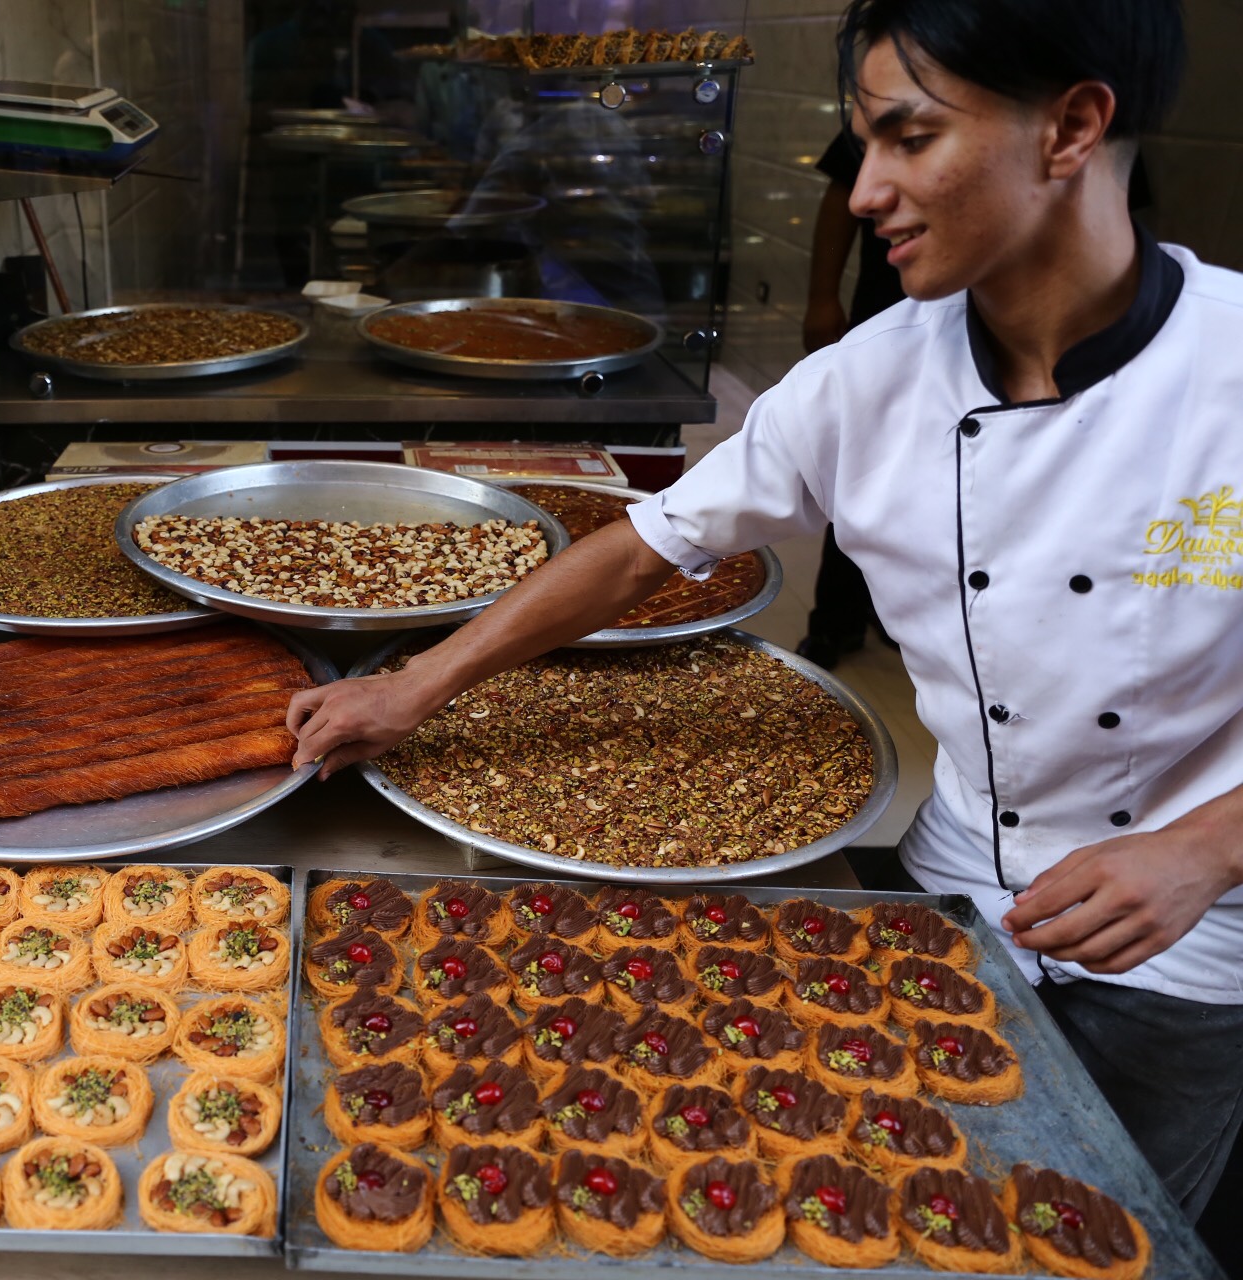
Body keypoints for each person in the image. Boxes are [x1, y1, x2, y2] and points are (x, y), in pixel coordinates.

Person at [288, 0, 1243, 1219]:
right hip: (951, 892)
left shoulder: (1231, 371)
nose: (863, 194)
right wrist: (412, 684)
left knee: (1118, 1230)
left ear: (1071, 127)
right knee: (874, 1198)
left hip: (1191, 945)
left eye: (908, 138)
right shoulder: (865, 379)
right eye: (865, 147)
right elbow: (642, 547)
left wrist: (1204, 850)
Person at [796, 129, 908, 670]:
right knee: (859, 473)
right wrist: (822, 296)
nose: (870, 198)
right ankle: (835, 621)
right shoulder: (882, 342)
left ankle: (898, 618)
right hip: (883, 316)